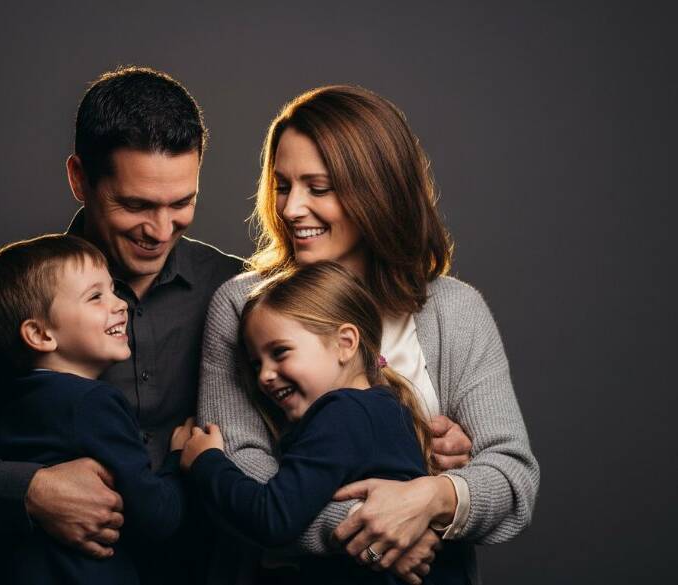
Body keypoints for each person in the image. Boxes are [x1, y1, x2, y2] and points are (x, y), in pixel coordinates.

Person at [0, 67, 242, 582]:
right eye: (136, 204)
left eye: (181, 203)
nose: (161, 230)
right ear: (79, 178)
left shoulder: (235, 290)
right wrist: (32, 491)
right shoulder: (17, 297)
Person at [198, 85, 539, 584]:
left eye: (318, 188)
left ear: (377, 191)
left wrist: (431, 498)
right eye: (282, 185)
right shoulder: (243, 305)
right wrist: (380, 531)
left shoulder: (455, 310)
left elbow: (512, 478)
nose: (292, 209)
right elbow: (241, 467)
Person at [183, 262, 470, 584]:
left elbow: (273, 518)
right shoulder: (385, 406)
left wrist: (205, 462)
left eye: (280, 352)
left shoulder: (341, 415)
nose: (264, 376)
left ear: (346, 342)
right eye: (256, 363)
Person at [0, 233, 195, 584]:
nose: (120, 304)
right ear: (41, 335)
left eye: (113, 290)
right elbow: (156, 516)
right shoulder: (93, 403)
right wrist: (179, 458)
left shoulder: (17, 398)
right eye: (95, 297)